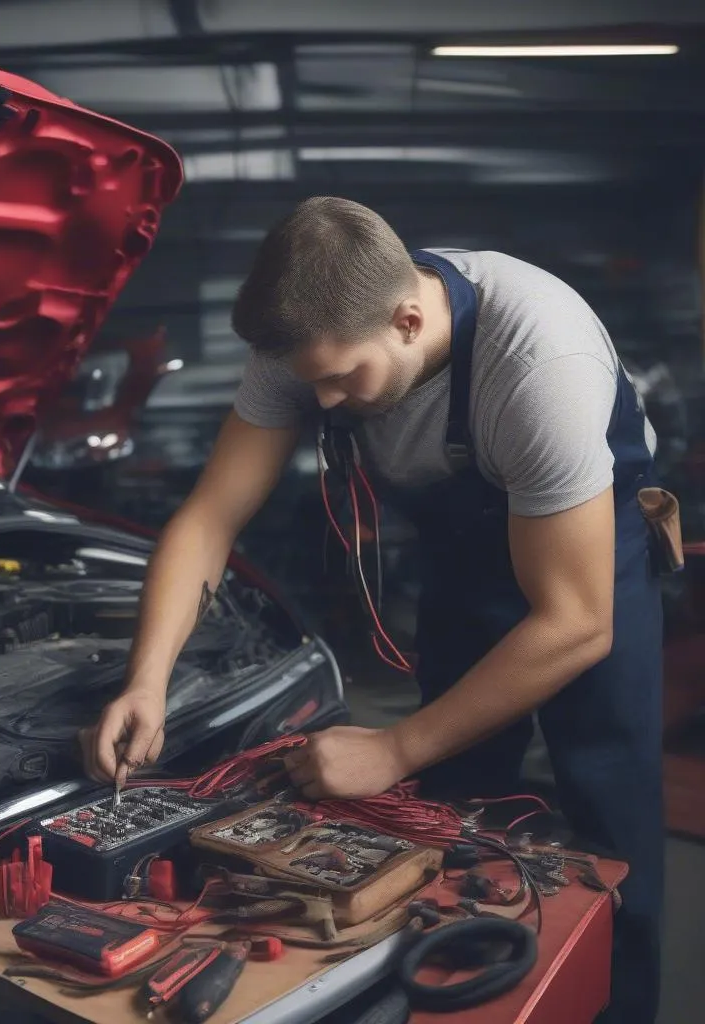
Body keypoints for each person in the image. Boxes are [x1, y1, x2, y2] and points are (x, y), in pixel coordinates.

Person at [82, 197, 664, 1024]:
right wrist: (147, 682)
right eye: (308, 379)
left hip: (591, 560)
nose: (322, 403)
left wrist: (394, 745)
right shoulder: (312, 332)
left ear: (407, 317)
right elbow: (209, 518)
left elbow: (575, 620)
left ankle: (623, 1006)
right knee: (452, 811)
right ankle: (463, 998)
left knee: (611, 823)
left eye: (341, 377)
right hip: (467, 556)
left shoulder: (539, 359)